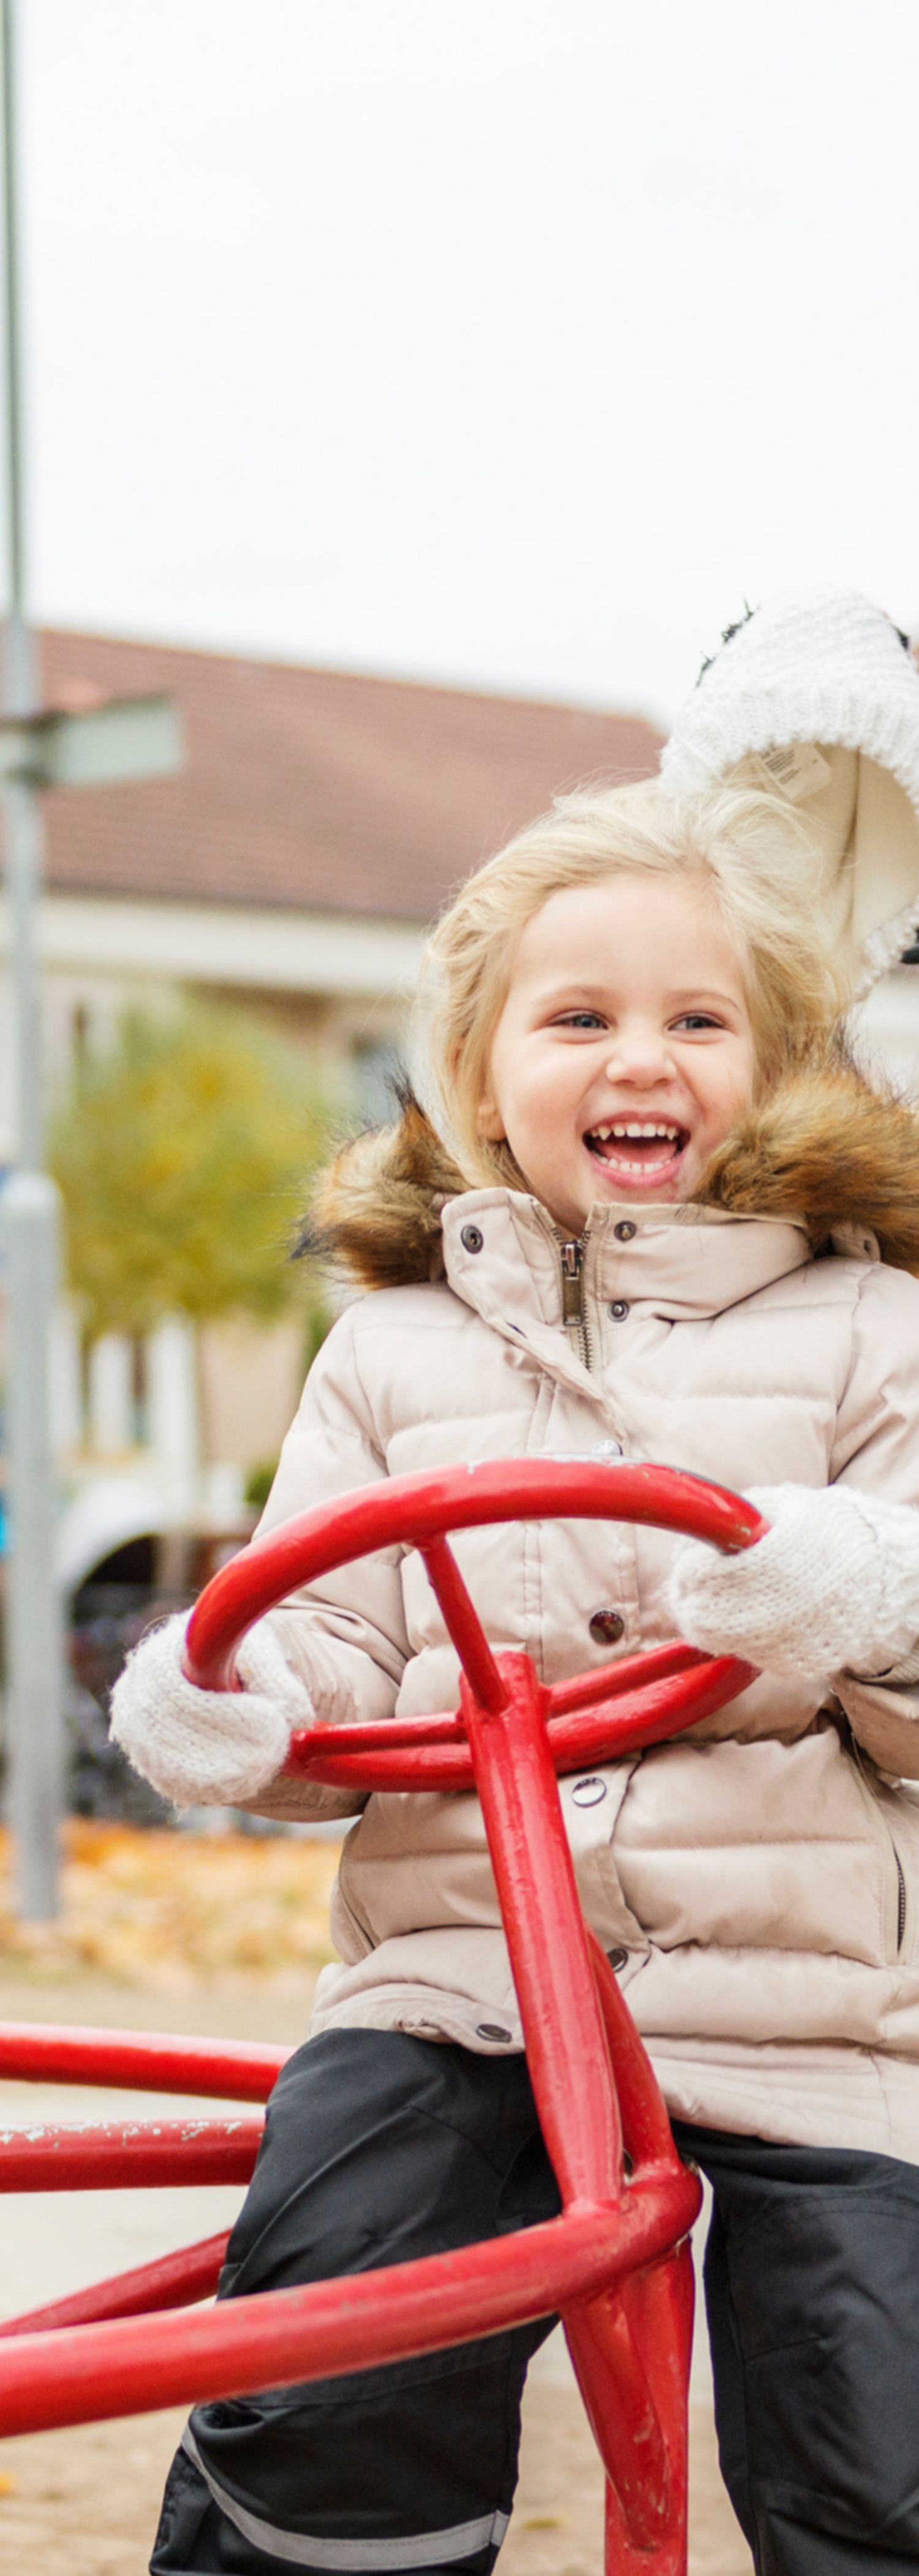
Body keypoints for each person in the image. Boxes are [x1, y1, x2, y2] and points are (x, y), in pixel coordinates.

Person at [113, 594, 919, 2576]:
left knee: (876, 2413)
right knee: (325, 2328)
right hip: (456, 1975)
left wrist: (853, 1601)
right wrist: (236, 1703)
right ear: (476, 1073)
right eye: (578, 1018)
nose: (637, 1057)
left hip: (814, 2008)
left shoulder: (869, 1331)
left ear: (782, 1058)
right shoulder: (390, 1355)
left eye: (695, 1018)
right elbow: (318, 1648)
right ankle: (332, 2543)